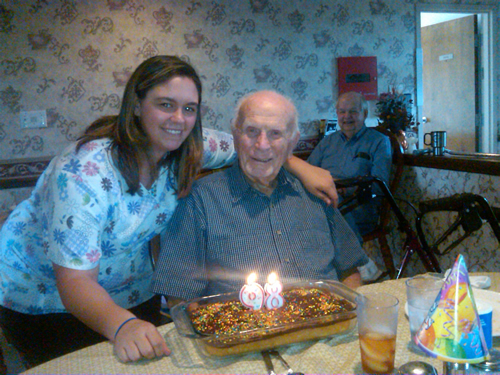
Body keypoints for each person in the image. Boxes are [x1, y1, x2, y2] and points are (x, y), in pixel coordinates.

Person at [0, 57, 338, 367]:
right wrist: (123, 325)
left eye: (189, 108)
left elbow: (252, 144)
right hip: (49, 300)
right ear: (135, 105)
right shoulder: (84, 172)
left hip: (133, 290)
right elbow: (73, 281)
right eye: (165, 105)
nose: (179, 119)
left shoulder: (186, 146)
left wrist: (298, 165)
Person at [152, 90, 369, 304]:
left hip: (328, 328)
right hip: (243, 336)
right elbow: (179, 297)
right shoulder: (199, 201)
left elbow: (350, 271)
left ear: (292, 142)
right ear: (235, 136)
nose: (262, 145)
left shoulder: (314, 192)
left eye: (275, 133)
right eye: (252, 131)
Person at [307, 91, 393, 281]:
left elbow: (379, 184)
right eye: (342, 112)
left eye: (353, 112)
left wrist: (344, 189)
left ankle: (353, 266)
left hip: (360, 206)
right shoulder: (328, 142)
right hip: (326, 202)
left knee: (329, 210)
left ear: (364, 113)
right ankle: (356, 265)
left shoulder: (379, 142)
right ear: (337, 114)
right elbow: (309, 172)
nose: (347, 117)